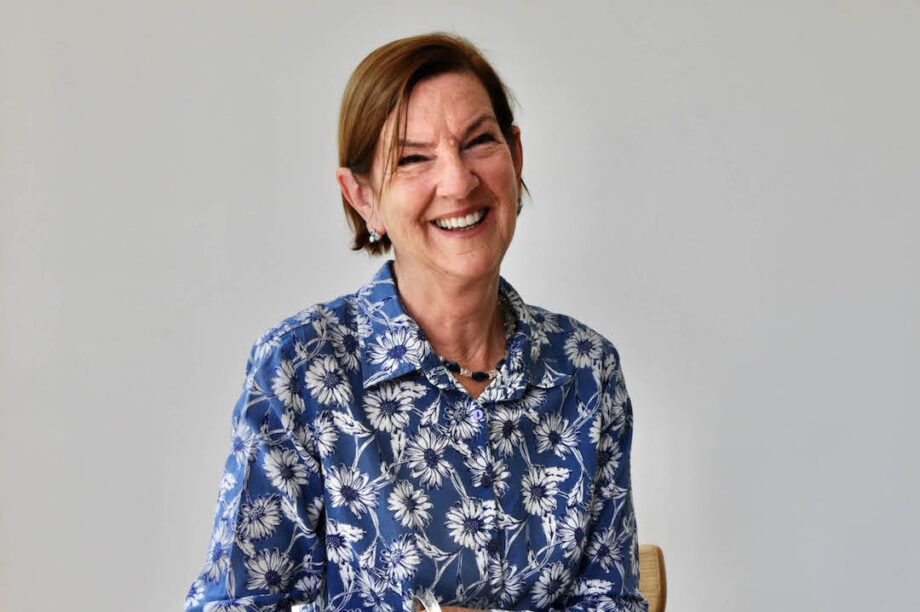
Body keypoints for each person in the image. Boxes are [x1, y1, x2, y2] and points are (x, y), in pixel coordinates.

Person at [184, 33, 648, 612]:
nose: (457, 181)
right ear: (362, 197)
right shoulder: (302, 369)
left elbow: (613, 602)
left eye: (479, 142)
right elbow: (232, 605)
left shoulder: (585, 370)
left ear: (516, 156)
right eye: (412, 158)